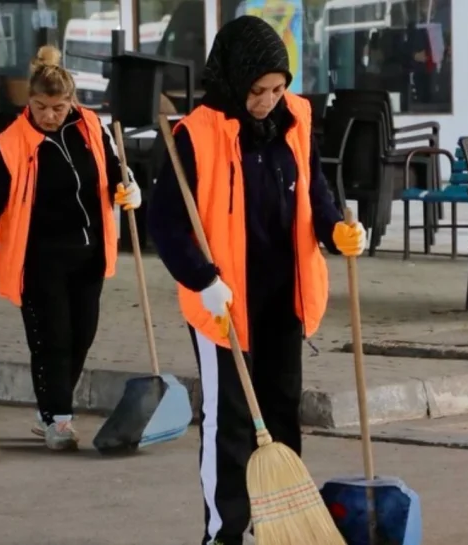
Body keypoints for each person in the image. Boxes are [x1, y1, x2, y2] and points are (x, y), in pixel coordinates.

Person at [147, 16, 367, 545]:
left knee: (282, 411)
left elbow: (314, 192)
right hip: (223, 301)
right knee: (230, 421)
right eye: (257, 90)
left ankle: (277, 527)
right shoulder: (196, 135)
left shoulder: (295, 120)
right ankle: (224, 533)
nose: (268, 100)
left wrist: (335, 229)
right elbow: (166, 223)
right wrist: (201, 278)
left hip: (283, 293)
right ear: (234, 80)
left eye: (277, 88)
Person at [0, 45, 142, 452]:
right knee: (52, 340)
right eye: (41, 107)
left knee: (82, 336)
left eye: (58, 108)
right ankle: (58, 418)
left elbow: (114, 167)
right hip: (39, 259)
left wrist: (129, 186)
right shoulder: (12, 143)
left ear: (71, 102)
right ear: (30, 101)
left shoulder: (91, 127)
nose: (49, 116)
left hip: (90, 253)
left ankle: (51, 411)